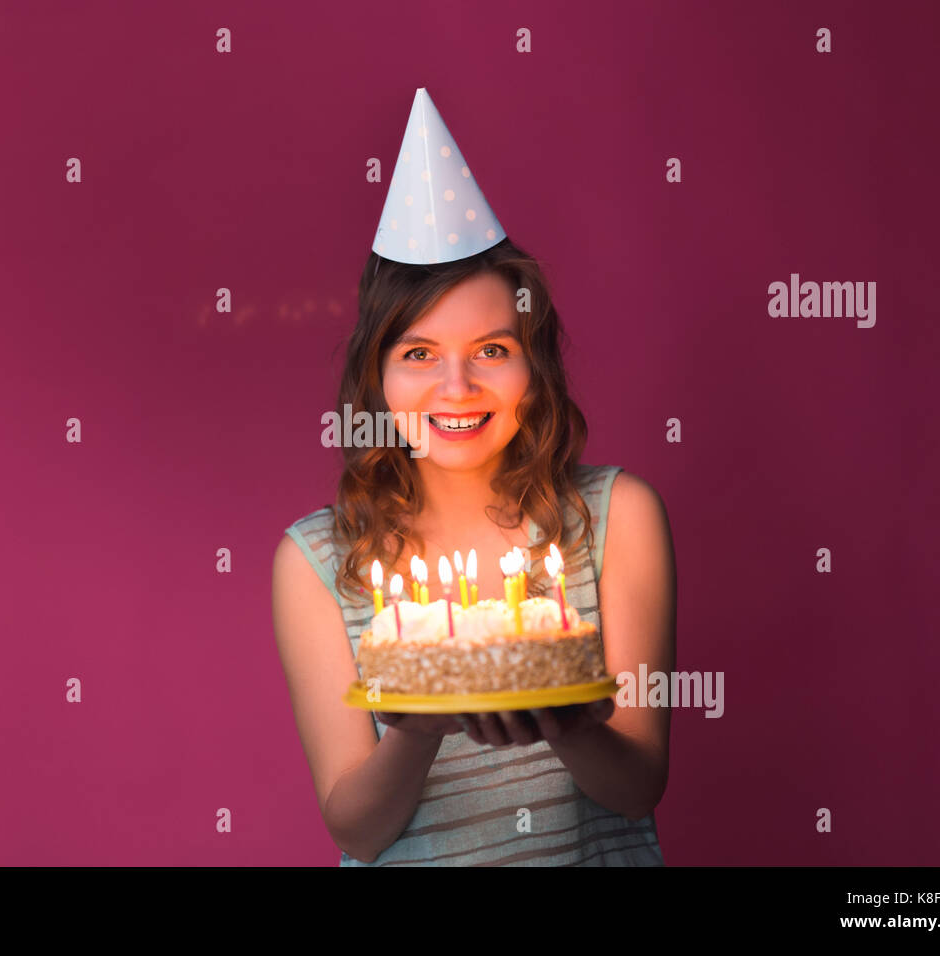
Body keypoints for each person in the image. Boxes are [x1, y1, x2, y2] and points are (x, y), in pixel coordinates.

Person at [272, 90, 676, 865]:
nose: (456, 388)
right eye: (419, 354)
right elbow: (355, 828)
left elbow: (640, 785)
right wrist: (417, 726)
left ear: (536, 364)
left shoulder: (618, 516)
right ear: (375, 376)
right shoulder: (317, 563)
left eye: (492, 349)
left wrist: (566, 722)